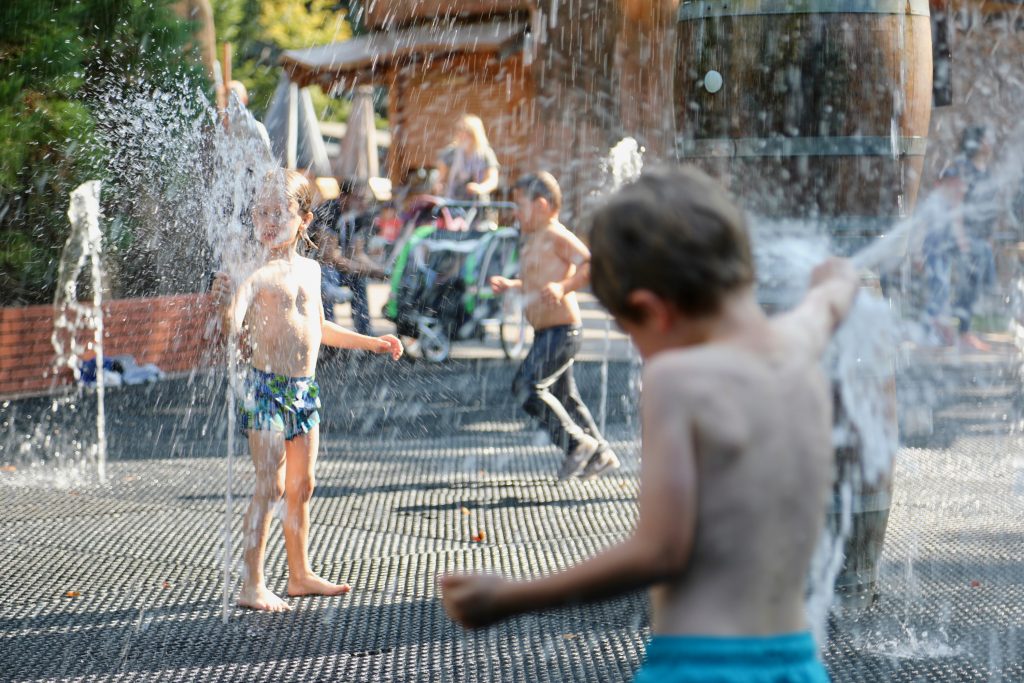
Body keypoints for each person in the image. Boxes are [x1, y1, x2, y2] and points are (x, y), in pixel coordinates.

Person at [443, 166, 859, 683]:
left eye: (629, 330)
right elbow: (829, 301)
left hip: (699, 667)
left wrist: (511, 596)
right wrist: (837, 280)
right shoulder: (801, 343)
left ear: (653, 311)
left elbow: (661, 549)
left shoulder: (675, 378)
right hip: (796, 663)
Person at [212, 169, 403, 611]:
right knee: (270, 486)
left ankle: (299, 575)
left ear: (304, 218)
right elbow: (231, 329)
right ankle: (252, 583)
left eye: (279, 212)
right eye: (261, 212)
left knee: (302, 485)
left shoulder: (313, 270)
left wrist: (373, 342)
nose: (268, 220)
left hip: (304, 390)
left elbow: (319, 329)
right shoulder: (254, 274)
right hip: (265, 390)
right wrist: (226, 304)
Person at [489, 172, 619, 480]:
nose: (515, 214)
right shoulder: (535, 239)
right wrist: (513, 284)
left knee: (526, 386)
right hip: (548, 332)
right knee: (564, 398)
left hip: (563, 331)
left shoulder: (555, 234)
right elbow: (537, 283)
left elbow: (589, 263)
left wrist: (563, 287)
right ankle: (601, 453)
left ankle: (576, 444)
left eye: (520, 206)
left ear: (543, 205)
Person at [308, 180, 387, 336]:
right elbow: (329, 257)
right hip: (315, 268)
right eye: (358, 197)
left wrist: (377, 269)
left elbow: (357, 253)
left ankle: (364, 334)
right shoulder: (328, 212)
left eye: (365, 199)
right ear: (344, 196)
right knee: (329, 274)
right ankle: (328, 335)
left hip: (336, 267)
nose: (363, 203)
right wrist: (366, 269)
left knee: (359, 280)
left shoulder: (355, 216)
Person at [950, 126, 998, 351]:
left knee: (979, 284)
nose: (991, 142)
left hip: (981, 239)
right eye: (988, 138)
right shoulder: (965, 169)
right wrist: (961, 238)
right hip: (966, 237)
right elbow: (956, 206)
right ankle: (963, 332)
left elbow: (987, 208)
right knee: (969, 285)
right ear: (978, 143)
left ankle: (963, 329)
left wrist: (989, 237)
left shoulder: (986, 171)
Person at [436, 114, 500, 202]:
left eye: (465, 130)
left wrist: (479, 188)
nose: (461, 134)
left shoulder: (485, 154)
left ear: (475, 133)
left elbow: (493, 180)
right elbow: (440, 178)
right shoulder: (450, 153)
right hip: (452, 203)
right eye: (459, 130)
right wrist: (438, 186)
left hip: (478, 206)